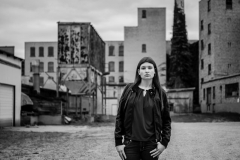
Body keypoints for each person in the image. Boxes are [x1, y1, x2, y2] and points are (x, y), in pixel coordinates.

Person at [114, 57, 171, 160]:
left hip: (151, 144)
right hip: (130, 143)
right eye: (143, 68)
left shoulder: (161, 93)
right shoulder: (129, 90)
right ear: (139, 72)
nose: (147, 70)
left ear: (154, 71)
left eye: (150, 68)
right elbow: (120, 116)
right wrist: (118, 142)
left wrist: (164, 143)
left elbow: (166, 120)